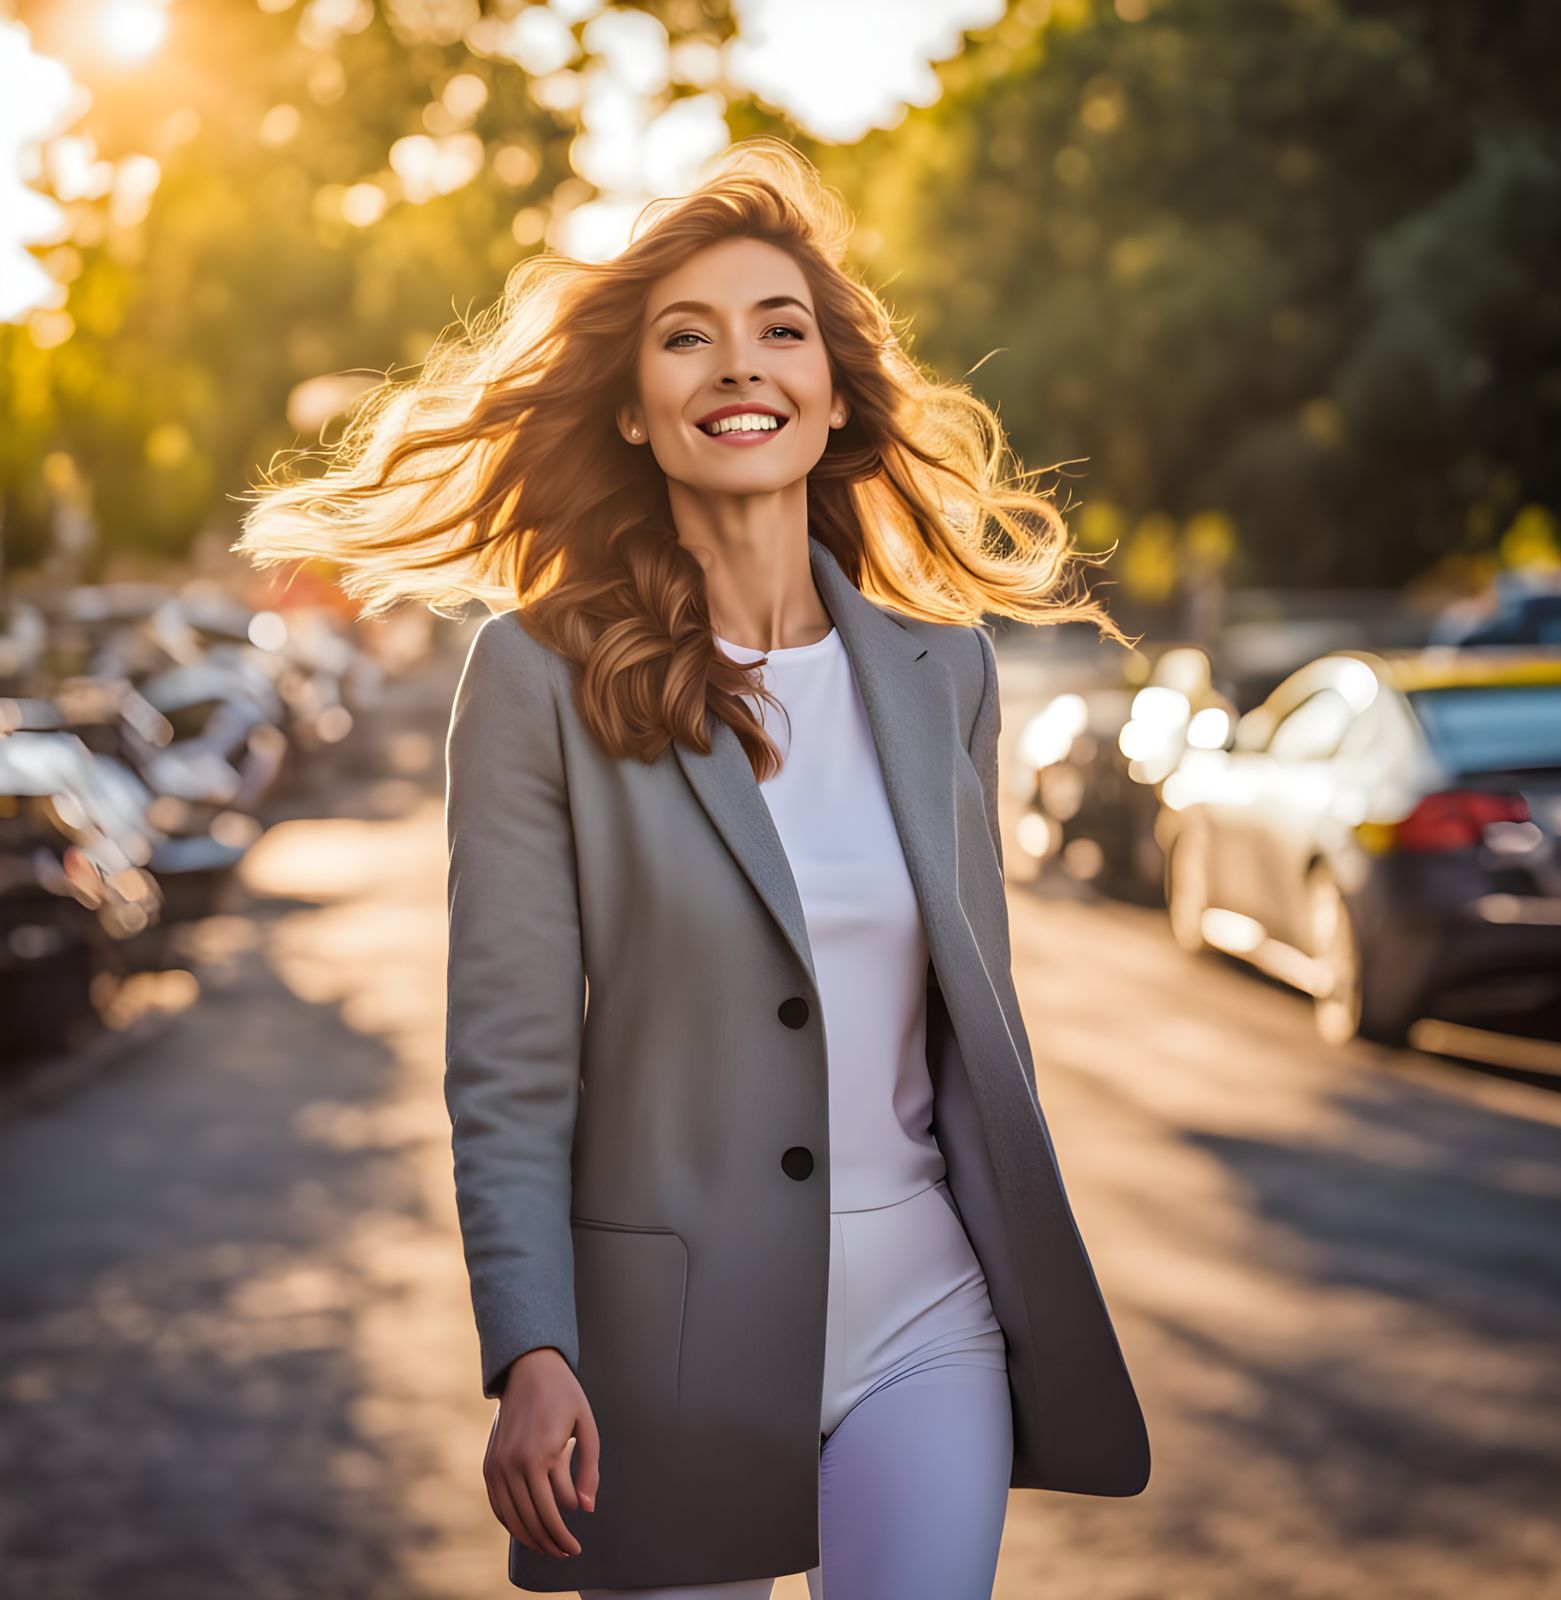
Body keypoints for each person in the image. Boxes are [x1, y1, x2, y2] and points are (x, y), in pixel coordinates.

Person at [236, 137, 1149, 1599]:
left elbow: (977, 1028)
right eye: (687, 338)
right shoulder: (534, 676)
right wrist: (530, 1345)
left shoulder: (946, 677)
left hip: (927, 1314)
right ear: (637, 410)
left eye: (781, 330)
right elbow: (512, 1063)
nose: (741, 366)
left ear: (834, 397)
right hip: (663, 1354)